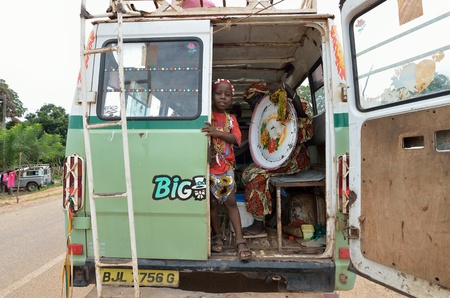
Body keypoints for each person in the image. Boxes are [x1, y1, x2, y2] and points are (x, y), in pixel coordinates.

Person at [241, 82, 313, 235]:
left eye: (255, 100)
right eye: (251, 102)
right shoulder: (266, 117)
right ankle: (265, 213)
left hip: (295, 161)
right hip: (279, 160)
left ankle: (259, 224)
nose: (254, 104)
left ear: (264, 96)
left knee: (254, 176)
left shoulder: (289, 107)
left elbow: (304, 122)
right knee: (248, 172)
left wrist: (286, 87)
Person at [201, 78, 252, 261]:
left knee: (231, 203)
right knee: (212, 204)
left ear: (231, 99)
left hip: (226, 168)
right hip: (209, 168)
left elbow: (237, 139)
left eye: (227, 95)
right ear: (212, 95)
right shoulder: (207, 116)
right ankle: (217, 235)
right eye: (218, 93)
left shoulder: (231, 119)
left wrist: (218, 133)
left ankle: (240, 240)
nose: (223, 97)